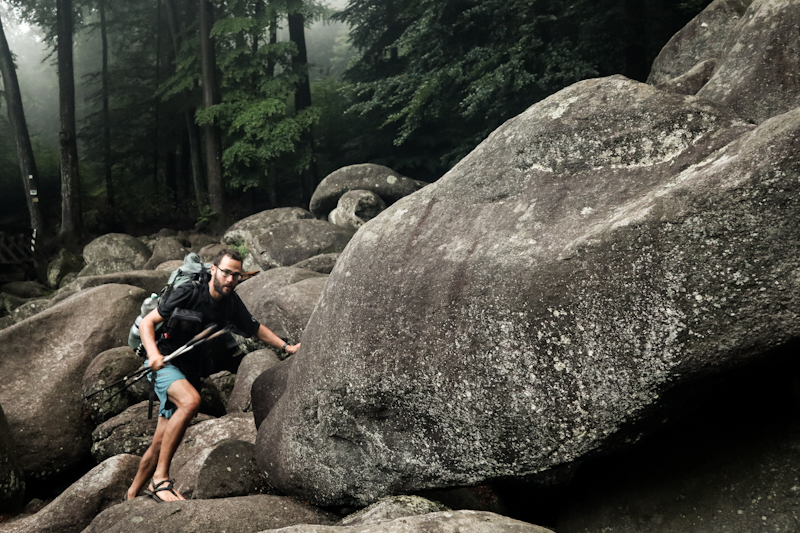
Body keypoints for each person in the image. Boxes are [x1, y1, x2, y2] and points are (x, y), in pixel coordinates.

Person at [125, 249, 299, 502]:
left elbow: (255, 328)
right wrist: (152, 354)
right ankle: (159, 480)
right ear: (214, 269)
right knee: (191, 401)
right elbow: (148, 323)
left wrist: (287, 347)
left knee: (160, 441)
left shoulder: (230, 304)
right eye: (227, 272)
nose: (230, 279)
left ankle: (130, 496)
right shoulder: (189, 292)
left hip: (189, 371)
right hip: (163, 363)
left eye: (236, 276)